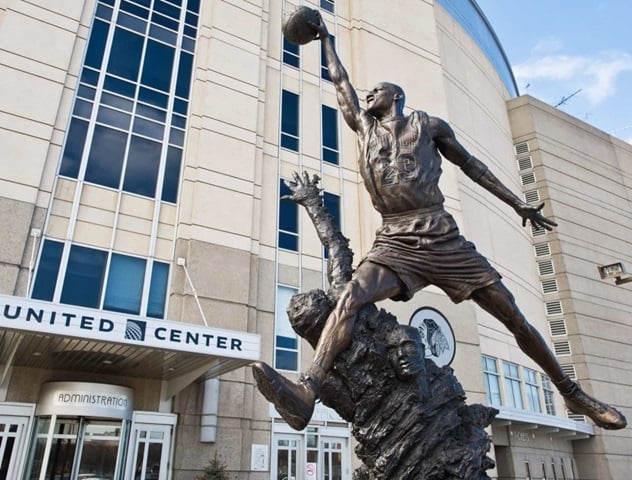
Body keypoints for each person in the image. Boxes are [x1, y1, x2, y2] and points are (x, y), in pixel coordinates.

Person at [252, 14, 627, 432]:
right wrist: (326, 39)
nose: (369, 93)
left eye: (378, 90)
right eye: (369, 91)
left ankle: (573, 393)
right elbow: (339, 82)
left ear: (396, 96)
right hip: (395, 238)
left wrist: (518, 204)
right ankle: (308, 390)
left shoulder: (427, 126)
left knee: (513, 317)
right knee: (351, 297)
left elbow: (473, 166)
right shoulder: (364, 129)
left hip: (441, 235)